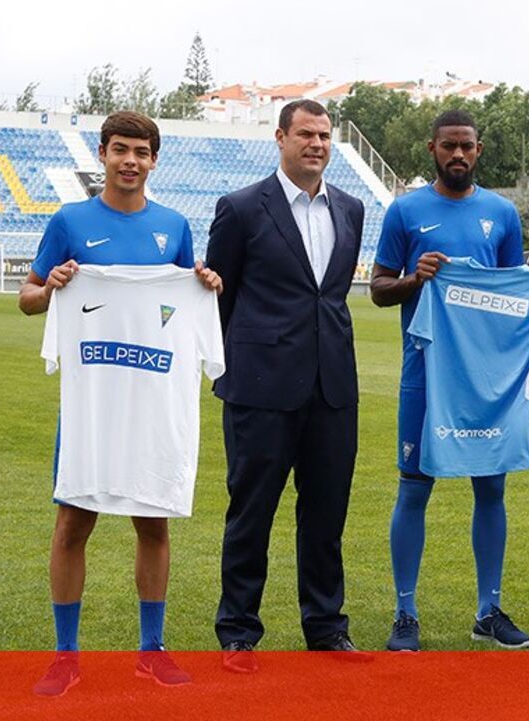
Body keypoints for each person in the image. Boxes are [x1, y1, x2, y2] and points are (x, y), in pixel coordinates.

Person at [20, 111, 222, 696]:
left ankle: (151, 651)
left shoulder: (173, 226)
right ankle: (65, 656)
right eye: (119, 150)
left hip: (150, 407)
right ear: (103, 154)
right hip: (91, 406)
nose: (130, 161)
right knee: (71, 523)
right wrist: (51, 287)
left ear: (154, 160)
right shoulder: (70, 220)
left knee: (153, 522)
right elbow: (28, 297)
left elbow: (181, 301)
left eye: (140, 151)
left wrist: (206, 285)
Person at [371, 109, 529, 652]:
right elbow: (379, 287)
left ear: (479, 151)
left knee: (491, 488)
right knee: (414, 488)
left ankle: (489, 610)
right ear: (432, 149)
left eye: (466, 146)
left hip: (486, 380)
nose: (457, 154)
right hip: (425, 376)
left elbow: (512, 290)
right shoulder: (406, 211)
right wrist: (416, 279)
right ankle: (405, 614)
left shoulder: (500, 213)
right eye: (448, 146)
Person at [207, 99, 367, 670]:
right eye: (305, 134)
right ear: (280, 138)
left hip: (333, 387)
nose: (317, 144)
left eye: (324, 135)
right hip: (260, 387)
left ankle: (326, 627)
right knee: (251, 513)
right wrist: (237, 367)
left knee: (326, 514)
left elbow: (330, 295)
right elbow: (220, 299)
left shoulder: (351, 209)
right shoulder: (241, 208)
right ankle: (238, 632)